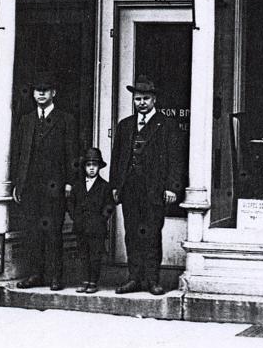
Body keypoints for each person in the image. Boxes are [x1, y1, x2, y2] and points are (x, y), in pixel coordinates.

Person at [111, 75, 184, 296]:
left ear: (154, 100)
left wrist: (172, 187)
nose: (141, 103)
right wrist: (115, 186)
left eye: (145, 98)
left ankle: (152, 279)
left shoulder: (167, 125)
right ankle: (134, 278)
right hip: (130, 188)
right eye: (137, 99)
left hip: (154, 189)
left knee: (152, 233)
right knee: (132, 233)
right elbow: (117, 158)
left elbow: (176, 159)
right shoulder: (125, 126)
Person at [10, 72, 77, 291]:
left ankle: (55, 276)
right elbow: (19, 153)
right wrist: (17, 184)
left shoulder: (65, 120)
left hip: (54, 186)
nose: (40, 94)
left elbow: (72, 154)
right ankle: (35, 274)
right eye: (37, 91)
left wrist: (69, 182)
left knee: (53, 231)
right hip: (30, 186)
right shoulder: (27, 120)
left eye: (45, 90)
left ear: (53, 93)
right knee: (32, 231)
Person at [68, 146, 116, 294]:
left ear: (99, 167)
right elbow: (70, 203)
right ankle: (84, 281)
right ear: (84, 167)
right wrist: (75, 216)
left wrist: (103, 218)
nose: (91, 169)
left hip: (97, 227)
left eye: (94, 165)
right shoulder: (77, 186)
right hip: (81, 225)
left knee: (95, 255)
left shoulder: (104, 186)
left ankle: (93, 281)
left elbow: (109, 205)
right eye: (88, 165)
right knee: (83, 254)